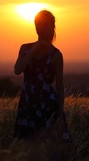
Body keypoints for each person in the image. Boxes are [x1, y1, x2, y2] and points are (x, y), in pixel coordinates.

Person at [14, 10, 71, 143]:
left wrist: (60, 114)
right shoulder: (25, 48)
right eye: (38, 24)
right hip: (28, 103)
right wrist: (34, 51)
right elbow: (17, 69)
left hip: (48, 104)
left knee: (49, 147)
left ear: (52, 27)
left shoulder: (56, 55)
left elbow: (60, 86)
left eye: (45, 25)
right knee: (27, 146)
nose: (41, 28)